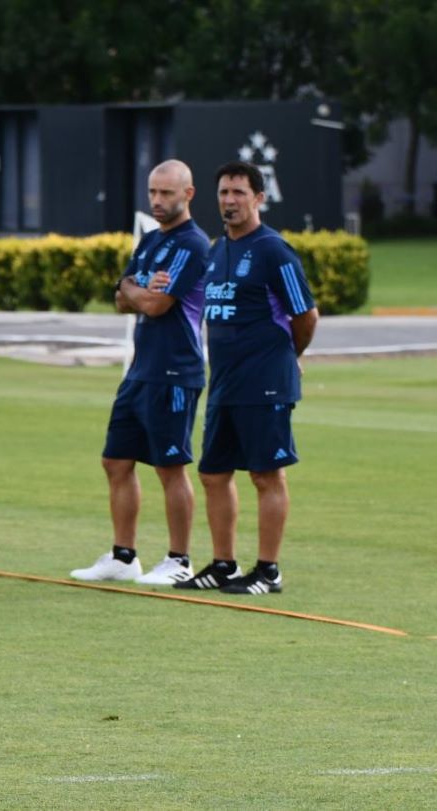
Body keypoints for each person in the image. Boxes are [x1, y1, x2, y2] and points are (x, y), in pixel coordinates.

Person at [174, 161, 318, 595]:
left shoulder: (274, 250)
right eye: (224, 192)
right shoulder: (217, 250)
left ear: (258, 198)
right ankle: (224, 565)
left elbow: (306, 315)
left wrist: (288, 355)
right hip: (225, 383)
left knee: (265, 475)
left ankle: (269, 571)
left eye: (239, 192)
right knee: (214, 473)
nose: (230, 200)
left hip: (265, 381)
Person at [71, 159, 210, 586]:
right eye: (153, 192)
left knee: (170, 466)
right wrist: (135, 288)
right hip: (140, 370)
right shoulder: (150, 241)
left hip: (175, 370)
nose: (157, 200)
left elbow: (157, 304)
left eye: (166, 193)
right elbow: (121, 299)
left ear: (188, 194)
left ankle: (179, 560)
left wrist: (135, 290)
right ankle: (123, 556)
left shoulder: (193, 244)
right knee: (115, 460)